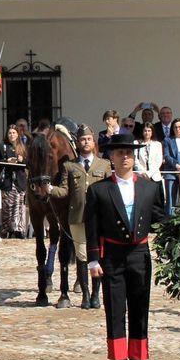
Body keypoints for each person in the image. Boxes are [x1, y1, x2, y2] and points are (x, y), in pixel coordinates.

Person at [85, 133, 169, 360]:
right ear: (111, 157)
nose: (125, 157)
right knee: (115, 308)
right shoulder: (99, 190)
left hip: (139, 254)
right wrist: (93, 261)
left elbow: (160, 218)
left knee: (140, 308)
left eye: (129, 153)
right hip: (113, 256)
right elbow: (92, 227)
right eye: (120, 153)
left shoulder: (149, 187)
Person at [64, 126, 111, 308]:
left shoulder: (104, 165)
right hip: (77, 217)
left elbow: (110, 190)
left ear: (94, 142)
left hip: (99, 218)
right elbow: (64, 190)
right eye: (83, 139)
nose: (86, 142)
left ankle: (96, 294)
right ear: (78, 143)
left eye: (89, 139)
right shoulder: (70, 166)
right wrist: (50, 190)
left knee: (97, 255)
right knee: (82, 256)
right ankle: (84, 294)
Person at [0, 125, 27, 238]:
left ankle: (19, 229)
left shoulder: (22, 147)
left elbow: (28, 163)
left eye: (14, 133)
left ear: (18, 134)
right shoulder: (1, 146)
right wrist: (6, 161)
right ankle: (7, 229)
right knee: (8, 206)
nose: (12, 135)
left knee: (19, 206)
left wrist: (22, 160)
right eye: (10, 133)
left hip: (20, 181)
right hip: (7, 180)